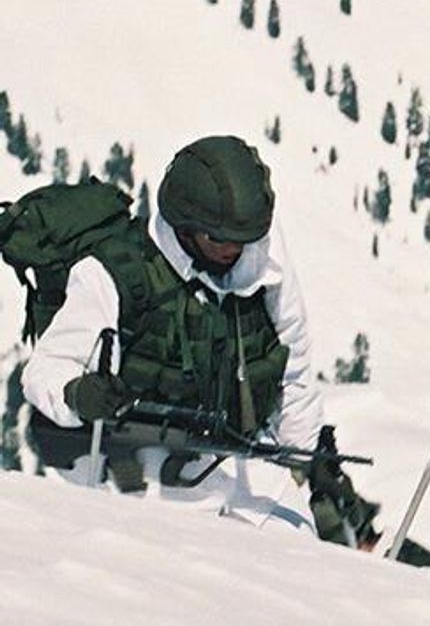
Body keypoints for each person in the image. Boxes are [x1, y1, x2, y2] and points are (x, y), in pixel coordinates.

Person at [22, 135, 351, 533]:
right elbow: (45, 369)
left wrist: (300, 457)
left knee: (299, 550)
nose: (233, 250)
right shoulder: (115, 273)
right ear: (186, 228)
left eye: (242, 240)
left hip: (231, 457)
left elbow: (292, 359)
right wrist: (77, 394)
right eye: (220, 240)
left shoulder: (261, 266)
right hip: (133, 466)